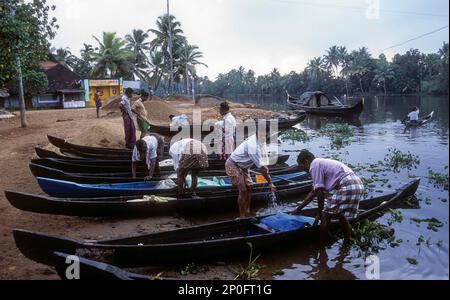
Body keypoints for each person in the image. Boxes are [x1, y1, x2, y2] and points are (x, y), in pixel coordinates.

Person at [293, 150, 364, 244]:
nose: (303, 170)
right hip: (357, 184)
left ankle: (322, 247)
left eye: (302, 166)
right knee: (341, 215)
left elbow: (320, 193)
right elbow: (313, 192)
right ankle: (348, 241)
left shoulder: (314, 165)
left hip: (347, 184)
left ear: (306, 161)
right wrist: (298, 209)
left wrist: (319, 212)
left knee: (325, 215)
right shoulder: (320, 163)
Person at [225, 134, 276, 218]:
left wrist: (265, 168)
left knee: (250, 187)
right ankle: (242, 216)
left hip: (243, 167)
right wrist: (270, 183)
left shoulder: (259, 140)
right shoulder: (253, 146)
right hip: (233, 164)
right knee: (243, 190)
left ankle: (247, 210)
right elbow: (262, 169)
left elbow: (263, 163)